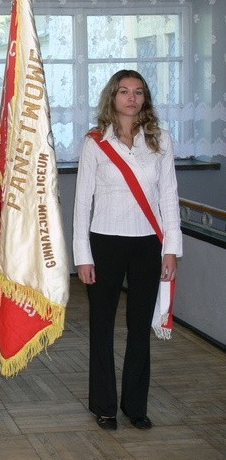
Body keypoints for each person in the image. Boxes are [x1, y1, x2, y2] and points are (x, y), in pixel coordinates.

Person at [73, 69, 182, 431]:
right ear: (112, 97)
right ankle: (103, 405)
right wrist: (83, 256)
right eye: (124, 91)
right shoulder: (94, 142)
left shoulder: (161, 140)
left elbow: (168, 196)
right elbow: (81, 202)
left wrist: (170, 249)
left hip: (147, 243)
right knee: (101, 326)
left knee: (139, 327)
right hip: (104, 241)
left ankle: (135, 406)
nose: (131, 98)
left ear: (145, 99)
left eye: (138, 92)